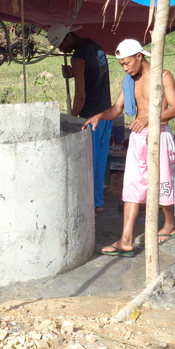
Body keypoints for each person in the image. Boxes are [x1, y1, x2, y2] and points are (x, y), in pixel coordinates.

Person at [82, 39, 175, 257]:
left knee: (163, 186)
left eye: (127, 63)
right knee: (132, 188)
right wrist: (99, 116)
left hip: (159, 135)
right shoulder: (129, 81)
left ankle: (170, 224)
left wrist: (149, 118)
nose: (125, 68)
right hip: (137, 138)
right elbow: (117, 109)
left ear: (139, 56)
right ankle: (126, 240)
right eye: (121, 65)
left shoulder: (162, 76)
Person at [47, 23, 113, 213]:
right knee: (100, 162)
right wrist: (74, 74)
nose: (61, 50)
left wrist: (72, 119)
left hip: (90, 117)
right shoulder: (95, 46)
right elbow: (94, 77)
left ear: (67, 38)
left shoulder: (78, 57)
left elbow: (81, 96)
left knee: (87, 164)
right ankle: (97, 203)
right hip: (106, 113)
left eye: (60, 46)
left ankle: (86, 204)